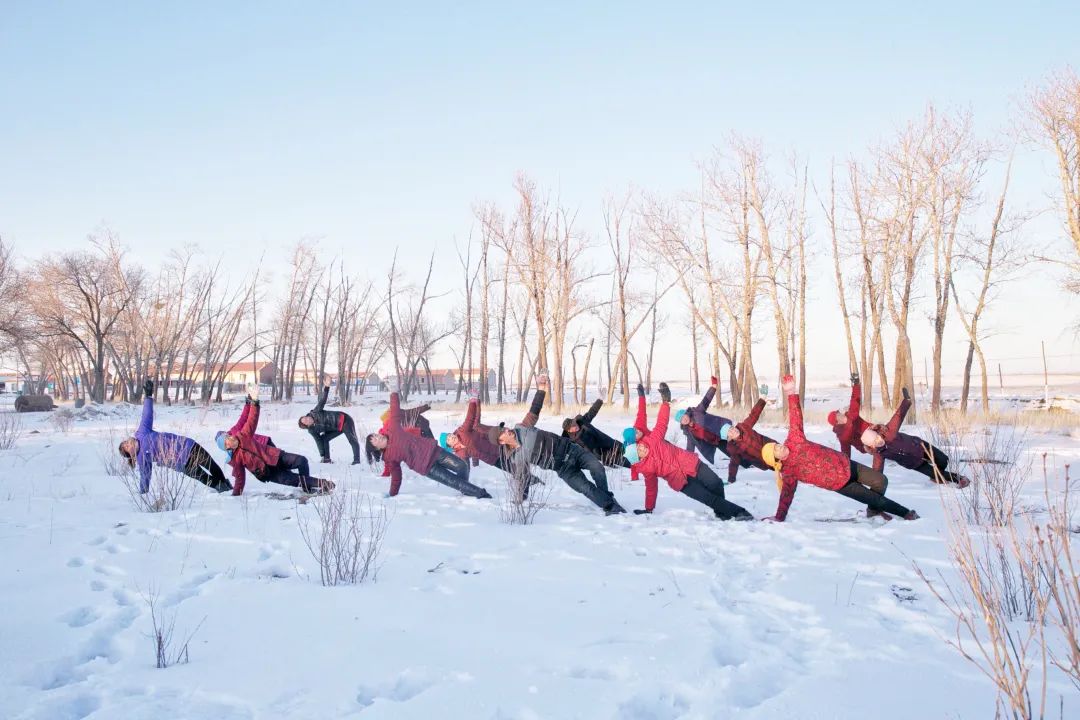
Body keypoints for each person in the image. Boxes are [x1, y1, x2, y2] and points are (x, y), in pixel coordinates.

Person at [762, 375, 918, 522]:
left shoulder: (794, 440)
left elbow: (795, 415)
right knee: (874, 497)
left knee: (880, 481)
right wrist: (779, 517)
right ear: (776, 459)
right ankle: (906, 513)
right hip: (841, 484)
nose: (780, 447)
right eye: (776, 450)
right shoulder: (789, 471)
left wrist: (791, 392)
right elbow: (786, 495)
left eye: (776, 445)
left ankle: (873, 510)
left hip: (847, 464)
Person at [623, 382, 753, 520]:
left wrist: (666, 402)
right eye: (639, 449)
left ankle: (721, 512)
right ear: (639, 457)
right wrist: (648, 508)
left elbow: (662, 422)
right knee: (706, 497)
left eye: (639, 446)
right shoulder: (646, 469)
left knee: (716, 483)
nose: (642, 446)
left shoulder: (652, 440)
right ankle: (739, 512)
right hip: (679, 481)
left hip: (690, 463)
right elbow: (651, 487)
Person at [490, 400, 626, 515]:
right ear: (501, 441)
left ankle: (607, 498)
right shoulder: (516, 457)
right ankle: (611, 507)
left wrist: (542, 386)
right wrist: (520, 498)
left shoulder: (522, 427)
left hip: (573, 451)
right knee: (586, 488)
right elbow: (522, 476)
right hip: (563, 469)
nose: (506, 429)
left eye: (504, 428)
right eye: (502, 432)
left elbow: (535, 409)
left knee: (598, 468)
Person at [366, 392, 491, 499]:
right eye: (375, 440)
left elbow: (394, 409)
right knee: (453, 481)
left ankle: (465, 488)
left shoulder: (392, 428)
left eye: (375, 435)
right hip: (427, 468)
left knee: (462, 465)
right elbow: (396, 476)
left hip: (434, 452)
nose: (377, 436)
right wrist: (392, 493)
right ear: (376, 448)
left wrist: (393, 393)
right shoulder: (389, 457)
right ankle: (481, 494)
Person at [216, 385, 333, 496]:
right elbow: (240, 478)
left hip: (273, 454)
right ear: (227, 448)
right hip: (268, 472)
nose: (230, 439)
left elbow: (251, 419)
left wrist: (253, 401)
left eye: (227, 436)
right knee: (292, 479)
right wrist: (236, 495)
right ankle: (322, 483)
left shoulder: (242, 435)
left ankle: (307, 488)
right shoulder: (235, 459)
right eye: (226, 442)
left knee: (301, 460)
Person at [119, 380, 232, 494]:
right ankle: (222, 489)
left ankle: (227, 486)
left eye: (126, 442)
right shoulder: (141, 458)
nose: (128, 443)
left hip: (188, 447)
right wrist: (143, 493)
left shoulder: (141, 433)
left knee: (211, 465)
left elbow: (146, 415)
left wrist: (148, 396)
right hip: (181, 463)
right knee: (205, 478)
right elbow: (145, 475)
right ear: (132, 455)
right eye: (127, 447)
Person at [442, 383, 545, 496]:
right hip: (492, 460)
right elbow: (465, 468)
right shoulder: (461, 453)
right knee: (512, 470)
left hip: (498, 447)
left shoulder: (463, 431)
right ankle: (532, 482)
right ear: (449, 446)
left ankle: (538, 467)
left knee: (520, 459)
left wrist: (473, 401)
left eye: (449, 435)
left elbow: (470, 417)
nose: (451, 436)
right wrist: (463, 486)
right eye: (448, 439)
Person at [860, 388, 970, 487]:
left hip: (919, 446)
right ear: (872, 446)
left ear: (878, 434)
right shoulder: (879, 454)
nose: (879, 441)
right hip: (912, 462)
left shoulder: (889, 431)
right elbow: (877, 470)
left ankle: (938, 477)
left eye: (878, 438)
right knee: (934, 472)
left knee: (943, 459)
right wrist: (875, 483)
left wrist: (907, 400)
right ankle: (959, 479)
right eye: (876, 442)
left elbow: (898, 416)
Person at [561, 399, 634, 469]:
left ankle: (641, 459)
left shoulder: (582, 421)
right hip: (601, 453)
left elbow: (592, 412)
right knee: (623, 461)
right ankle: (637, 467)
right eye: (572, 427)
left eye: (574, 424)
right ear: (569, 431)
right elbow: (565, 449)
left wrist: (600, 400)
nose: (575, 427)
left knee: (625, 449)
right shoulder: (571, 440)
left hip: (605, 440)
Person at [298, 383, 361, 464]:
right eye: (305, 421)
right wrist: (322, 455)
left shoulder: (315, 412)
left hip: (345, 420)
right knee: (324, 438)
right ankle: (327, 459)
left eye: (305, 418)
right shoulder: (312, 430)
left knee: (352, 440)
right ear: (306, 426)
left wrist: (327, 387)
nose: (307, 419)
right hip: (337, 428)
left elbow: (322, 401)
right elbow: (318, 441)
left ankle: (357, 460)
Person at [722, 395, 778, 483]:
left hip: (769, 445)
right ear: (729, 438)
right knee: (779, 467)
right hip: (762, 460)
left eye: (732, 428)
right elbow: (734, 463)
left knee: (786, 455)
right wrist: (731, 479)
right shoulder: (734, 448)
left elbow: (753, 415)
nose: (734, 430)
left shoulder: (744, 426)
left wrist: (762, 400)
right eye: (730, 432)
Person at [676, 376, 733, 462]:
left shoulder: (697, 412)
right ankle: (747, 464)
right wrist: (687, 461)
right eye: (681, 420)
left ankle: (753, 458)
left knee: (739, 444)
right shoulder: (688, 431)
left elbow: (706, 400)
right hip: (715, 441)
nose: (684, 420)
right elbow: (690, 446)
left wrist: (713, 387)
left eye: (683, 417)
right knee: (730, 452)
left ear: (686, 414)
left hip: (721, 430)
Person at [829, 372, 872, 457]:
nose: (840, 412)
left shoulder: (851, 414)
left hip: (877, 431)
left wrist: (856, 384)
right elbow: (845, 452)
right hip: (869, 446)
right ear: (837, 421)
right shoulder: (842, 435)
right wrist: (865, 448)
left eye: (838, 412)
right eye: (837, 413)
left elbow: (854, 400)